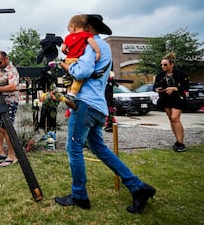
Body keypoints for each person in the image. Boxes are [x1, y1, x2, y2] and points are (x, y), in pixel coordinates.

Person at [55, 14, 156, 214]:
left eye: (75, 29)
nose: (73, 34)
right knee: (100, 149)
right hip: (98, 106)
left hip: (85, 104)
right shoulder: (104, 47)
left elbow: (82, 71)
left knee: (73, 148)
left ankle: (79, 196)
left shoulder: (91, 46)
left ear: (89, 28)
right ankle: (138, 187)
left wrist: (64, 65)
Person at [61, 14, 101, 109]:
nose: (69, 31)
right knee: (78, 79)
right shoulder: (86, 35)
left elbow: (63, 48)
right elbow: (92, 42)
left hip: (68, 59)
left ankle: (68, 92)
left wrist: (65, 51)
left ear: (73, 27)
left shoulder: (68, 37)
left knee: (69, 78)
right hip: (77, 60)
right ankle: (72, 95)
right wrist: (98, 51)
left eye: (69, 29)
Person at [153, 53, 189, 152]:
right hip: (165, 99)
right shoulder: (160, 75)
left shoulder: (180, 74)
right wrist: (157, 89)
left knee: (175, 118)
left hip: (177, 98)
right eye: (162, 65)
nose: (163, 66)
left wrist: (175, 88)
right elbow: (154, 87)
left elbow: (186, 87)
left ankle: (181, 143)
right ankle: (177, 141)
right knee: (171, 119)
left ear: (172, 64)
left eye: (165, 64)